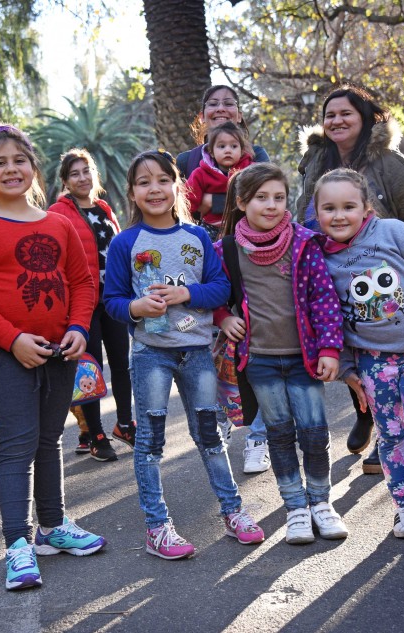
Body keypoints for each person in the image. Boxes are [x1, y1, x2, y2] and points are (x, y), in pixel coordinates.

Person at [0, 124, 105, 591]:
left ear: (34, 169)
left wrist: (78, 327)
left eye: (19, 159)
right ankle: (17, 544)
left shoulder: (58, 224)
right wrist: (12, 338)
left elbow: (82, 282)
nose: (11, 168)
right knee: (17, 447)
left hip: (60, 352)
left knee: (50, 441)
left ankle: (53, 528)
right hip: (6, 357)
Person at [103, 150, 264, 560]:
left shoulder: (197, 239)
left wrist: (185, 294)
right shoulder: (125, 243)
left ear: (178, 186)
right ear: (133, 193)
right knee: (150, 444)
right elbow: (113, 301)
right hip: (150, 355)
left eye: (162, 179)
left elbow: (220, 291)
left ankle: (233, 512)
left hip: (196, 352)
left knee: (211, 438)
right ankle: (157, 527)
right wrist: (137, 308)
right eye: (143, 182)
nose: (154, 188)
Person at [295, 84, 404, 475]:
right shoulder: (314, 160)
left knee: (388, 355)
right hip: (329, 274)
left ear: (364, 118)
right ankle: (368, 412)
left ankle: (386, 432)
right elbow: (301, 214)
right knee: (348, 354)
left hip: (384, 281)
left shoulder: (389, 162)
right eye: (330, 115)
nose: (337, 121)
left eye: (346, 113)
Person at [314, 168, 404, 540]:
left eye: (349, 206)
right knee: (391, 438)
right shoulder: (321, 258)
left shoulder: (396, 233)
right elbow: (330, 317)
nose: (339, 215)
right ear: (316, 213)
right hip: (372, 365)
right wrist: (348, 369)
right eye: (329, 208)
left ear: (367, 208)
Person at [214, 163, 348, 544]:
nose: (271, 205)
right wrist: (224, 317)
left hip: (304, 358)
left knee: (314, 431)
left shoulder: (304, 242)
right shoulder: (225, 249)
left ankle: (322, 503)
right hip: (260, 361)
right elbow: (215, 294)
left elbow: (324, 299)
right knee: (280, 434)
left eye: (278, 197)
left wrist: (329, 348)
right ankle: (295, 509)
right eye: (261, 198)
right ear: (241, 202)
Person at [175, 84, 272, 474]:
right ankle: (222, 418)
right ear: (201, 117)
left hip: (250, 255)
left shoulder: (256, 156)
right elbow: (182, 204)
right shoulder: (186, 159)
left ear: (240, 113)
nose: (220, 109)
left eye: (228, 103)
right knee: (208, 343)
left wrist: (213, 204)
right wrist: (228, 201)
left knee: (257, 340)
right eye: (212, 104)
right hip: (200, 261)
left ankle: (259, 435)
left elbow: (263, 199)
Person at [48, 149, 135, 461]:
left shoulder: (104, 208)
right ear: (66, 180)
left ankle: (125, 423)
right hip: (83, 302)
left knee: (122, 364)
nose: (82, 178)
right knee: (90, 368)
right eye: (75, 173)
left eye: (86, 171)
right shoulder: (60, 212)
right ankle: (95, 433)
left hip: (113, 297)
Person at [185, 121, 253, 240]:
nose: (228, 150)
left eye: (234, 146)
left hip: (243, 226)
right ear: (211, 151)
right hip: (210, 226)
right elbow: (188, 200)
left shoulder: (250, 171)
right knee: (199, 245)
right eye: (222, 146)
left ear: (242, 151)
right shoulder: (200, 174)